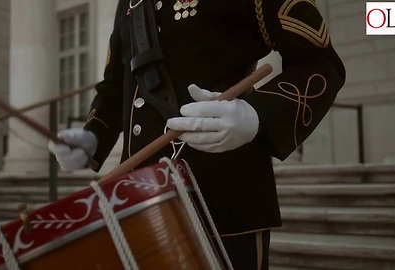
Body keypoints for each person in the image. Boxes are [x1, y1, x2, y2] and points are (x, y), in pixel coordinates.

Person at [48, 0, 346, 269]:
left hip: (223, 196)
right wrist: (94, 135)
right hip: (139, 202)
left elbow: (318, 61)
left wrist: (258, 115)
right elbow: (117, 82)